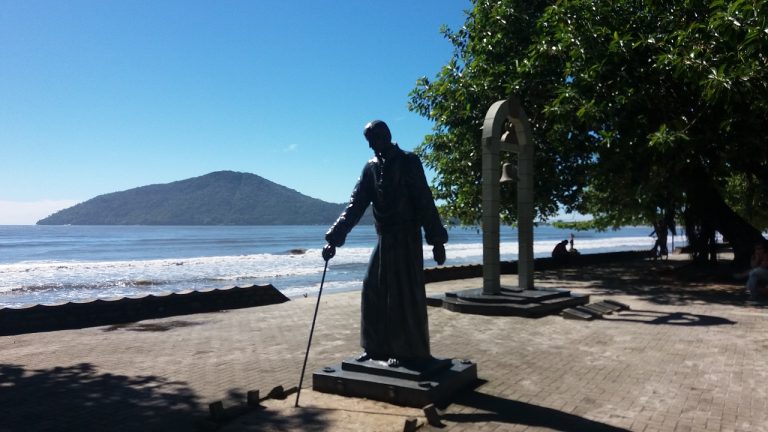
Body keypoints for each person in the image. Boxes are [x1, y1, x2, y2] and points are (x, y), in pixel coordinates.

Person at [322, 120, 448, 367]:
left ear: (386, 136)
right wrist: (334, 238)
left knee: (401, 296)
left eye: (374, 140)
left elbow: (424, 199)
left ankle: (404, 351)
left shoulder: (409, 161)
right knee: (372, 289)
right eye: (368, 141)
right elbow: (356, 204)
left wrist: (436, 240)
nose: (371, 146)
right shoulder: (370, 168)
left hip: (407, 239)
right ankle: (374, 347)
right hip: (384, 239)